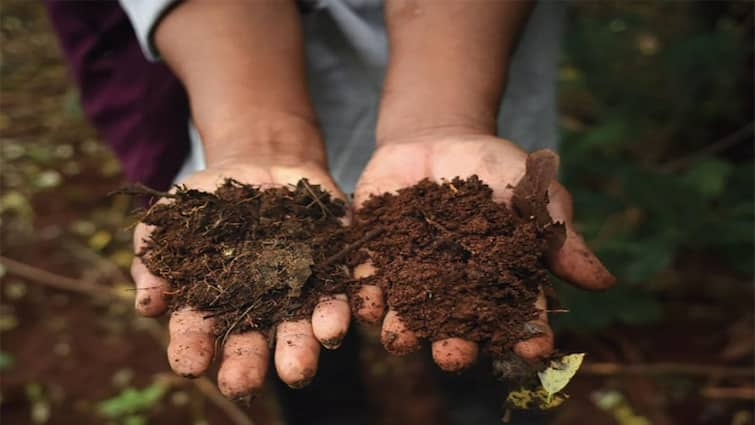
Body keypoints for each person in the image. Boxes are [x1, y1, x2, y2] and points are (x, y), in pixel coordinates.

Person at [48, 0, 614, 422]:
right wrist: (259, 138)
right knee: (296, 345)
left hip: (471, 88)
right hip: (233, 103)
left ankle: (477, 406)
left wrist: (442, 116)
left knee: (482, 344)